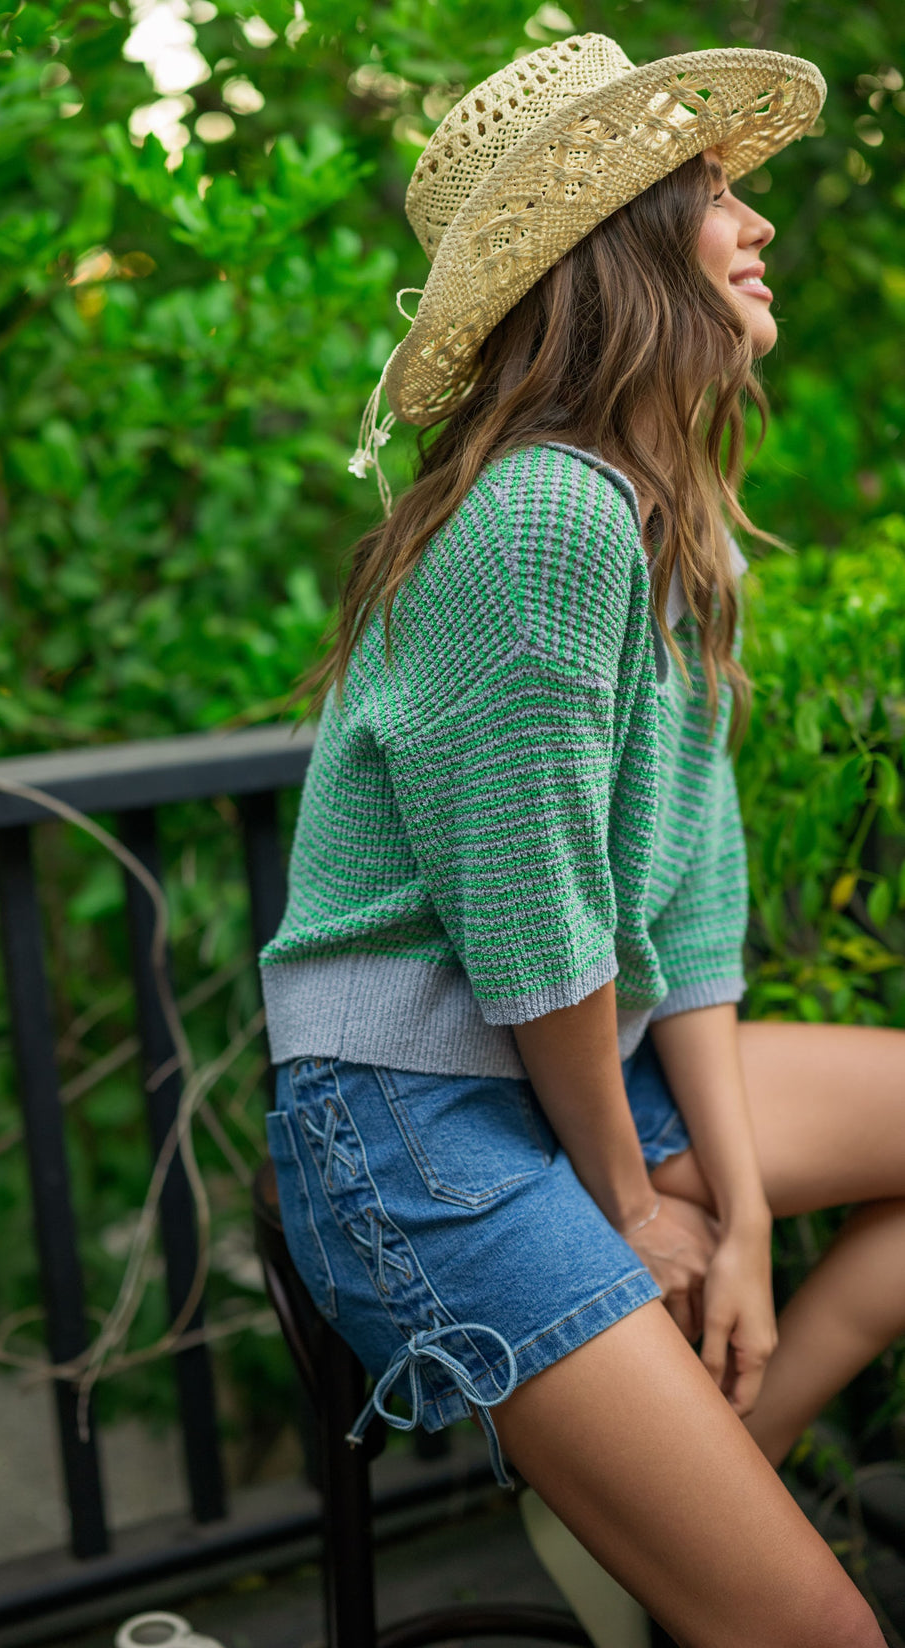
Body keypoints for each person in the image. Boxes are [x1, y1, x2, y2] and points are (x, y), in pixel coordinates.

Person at [258, 32, 891, 1648]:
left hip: (573, 1060)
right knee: (822, 1641)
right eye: (713, 195)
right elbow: (534, 937)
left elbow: (687, 910)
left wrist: (739, 1219)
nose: (754, 225)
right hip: (417, 1125)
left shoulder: (670, 527)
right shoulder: (545, 520)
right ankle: (699, 1537)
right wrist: (635, 1208)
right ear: (620, 253)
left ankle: (681, 1499)